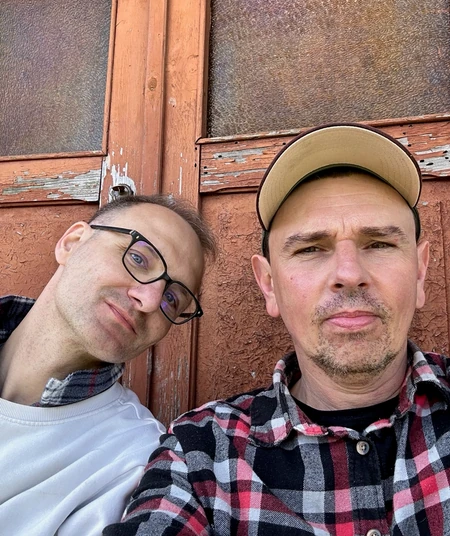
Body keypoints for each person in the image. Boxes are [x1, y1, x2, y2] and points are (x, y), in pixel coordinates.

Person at [103, 123, 450, 536]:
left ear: (420, 272)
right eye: (310, 248)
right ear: (269, 285)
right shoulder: (201, 455)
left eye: (379, 243)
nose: (349, 274)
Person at [0, 193, 216, 536]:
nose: (149, 301)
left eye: (172, 299)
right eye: (139, 259)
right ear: (72, 243)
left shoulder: (135, 458)